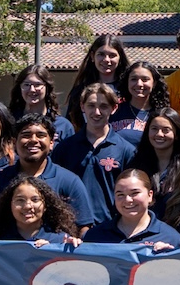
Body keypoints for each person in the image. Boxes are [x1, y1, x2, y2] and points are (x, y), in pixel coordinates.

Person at [52, 82, 136, 229]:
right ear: (82, 106)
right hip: (71, 230)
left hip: (111, 229)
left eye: (103, 106)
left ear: (114, 108)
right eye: (91, 105)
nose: (97, 112)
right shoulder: (65, 148)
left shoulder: (126, 150)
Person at [0, 115, 88, 224]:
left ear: (51, 143)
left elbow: (83, 226)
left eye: (41, 135)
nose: (33, 140)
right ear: (14, 142)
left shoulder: (69, 182)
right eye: (26, 135)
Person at [64, 33, 131, 128]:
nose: (106, 60)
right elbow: (71, 125)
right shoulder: (80, 91)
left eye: (112, 55)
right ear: (92, 56)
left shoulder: (128, 90)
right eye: (101, 54)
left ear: (120, 58)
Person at [10, 65, 73, 140]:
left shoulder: (63, 125)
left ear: (47, 88)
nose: (32, 89)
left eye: (37, 85)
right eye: (26, 85)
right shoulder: (9, 122)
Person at [128, 110, 180, 188]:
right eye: (154, 129)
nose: (159, 134)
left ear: (176, 134)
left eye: (166, 130)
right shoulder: (137, 164)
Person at [110, 61, 162, 139]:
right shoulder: (113, 111)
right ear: (127, 82)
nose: (139, 84)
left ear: (154, 83)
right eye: (134, 79)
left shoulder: (161, 114)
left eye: (145, 79)